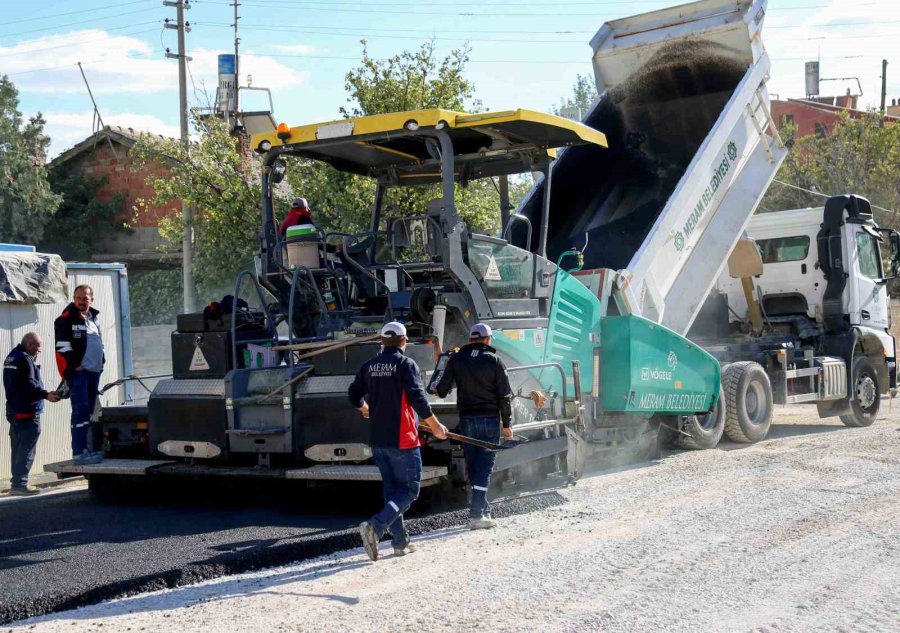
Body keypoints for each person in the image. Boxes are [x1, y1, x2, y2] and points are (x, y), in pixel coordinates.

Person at [348, 322, 448, 561]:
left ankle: (400, 543)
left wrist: (365, 408)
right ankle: (375, 526)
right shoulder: (405, 364)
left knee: (393, 491)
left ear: (381, 342)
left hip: (379, 440)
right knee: (410, 490)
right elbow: (418, 399)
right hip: (403, 439)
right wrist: (436, 426)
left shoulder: (369, 366)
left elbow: (353, 394)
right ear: (404, 342)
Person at [433, 323, 513, 530]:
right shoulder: (494, 360)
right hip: (489, 419)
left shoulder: (456, 359)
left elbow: (441, 390)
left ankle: (483, 510)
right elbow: (505, 395)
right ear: (488, 339)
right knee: (485, 467)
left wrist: (441, 367)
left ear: (470, 340)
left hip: (467, 419)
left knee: (475, 466)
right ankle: (476, 515)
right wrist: (507, 423)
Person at [3, 333, 60, 495]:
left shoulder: (11, 357)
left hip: (14, 409)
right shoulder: (24, 359)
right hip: (26, 410)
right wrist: (46, 394)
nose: (39, 350)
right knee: (27, 447)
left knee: (18, 446)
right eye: (37, 346)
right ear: (29, 344)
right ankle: (20, 485)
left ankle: (16, 483)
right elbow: (28, 384)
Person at [55, 284, 105, 461]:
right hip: (79, 374)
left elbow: (98, 343)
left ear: (91, 299)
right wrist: (74, 365)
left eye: (85, 298)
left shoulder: (93, 318)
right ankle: (79, 451)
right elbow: (62, 347)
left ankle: (89, 449)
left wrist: (101, 361)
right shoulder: (66, 319)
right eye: (78, 298)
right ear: (74, 299)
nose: (81, 301)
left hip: (94, 371)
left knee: (90, 411)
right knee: (80, 410)